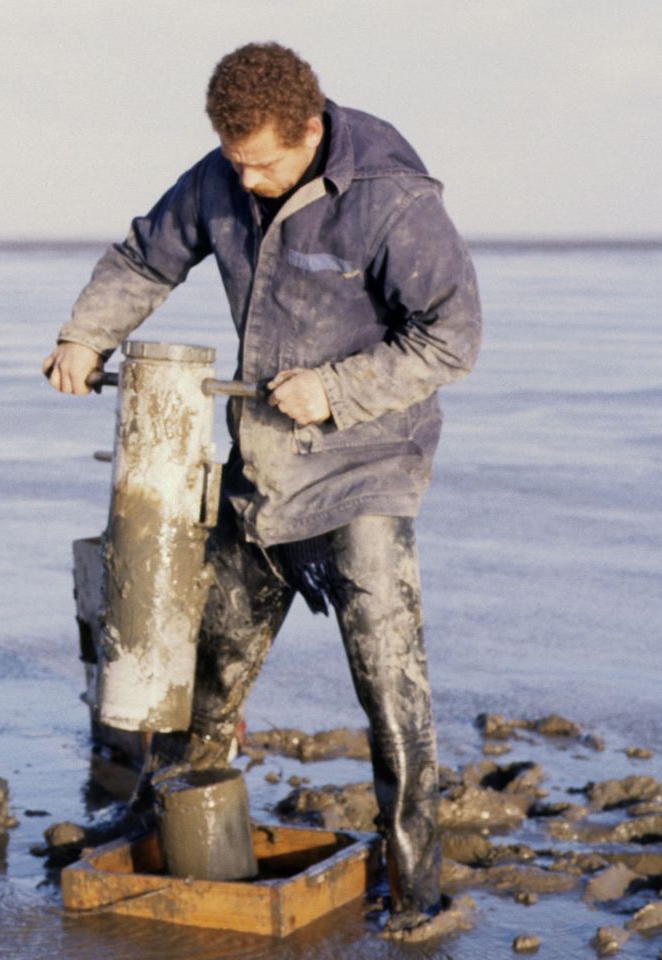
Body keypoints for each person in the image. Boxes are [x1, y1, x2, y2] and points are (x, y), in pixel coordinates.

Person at [43, 43, 481, 931]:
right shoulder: (223, 175)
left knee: (390, 693)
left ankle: (417, 891)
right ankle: (152, 821)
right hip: (263, 475)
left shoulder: (395, 198)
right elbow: (144, 258)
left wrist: (338, 389)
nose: (247, 180)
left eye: (264, 163)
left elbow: (452, 338)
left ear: (311, 132)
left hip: (366, 471)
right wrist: (84, 336)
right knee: (204, 675)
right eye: (235, 161)